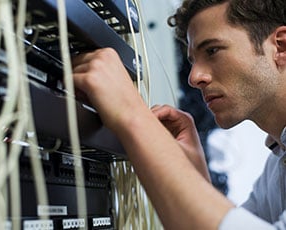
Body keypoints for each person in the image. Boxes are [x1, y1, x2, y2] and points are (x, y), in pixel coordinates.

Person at [72, 0, 286, 229]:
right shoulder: (277, 165)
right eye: (192, 61)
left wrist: (131, 115)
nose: (194, 77)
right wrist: (195, 174)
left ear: (280, 47)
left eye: (212, 51)